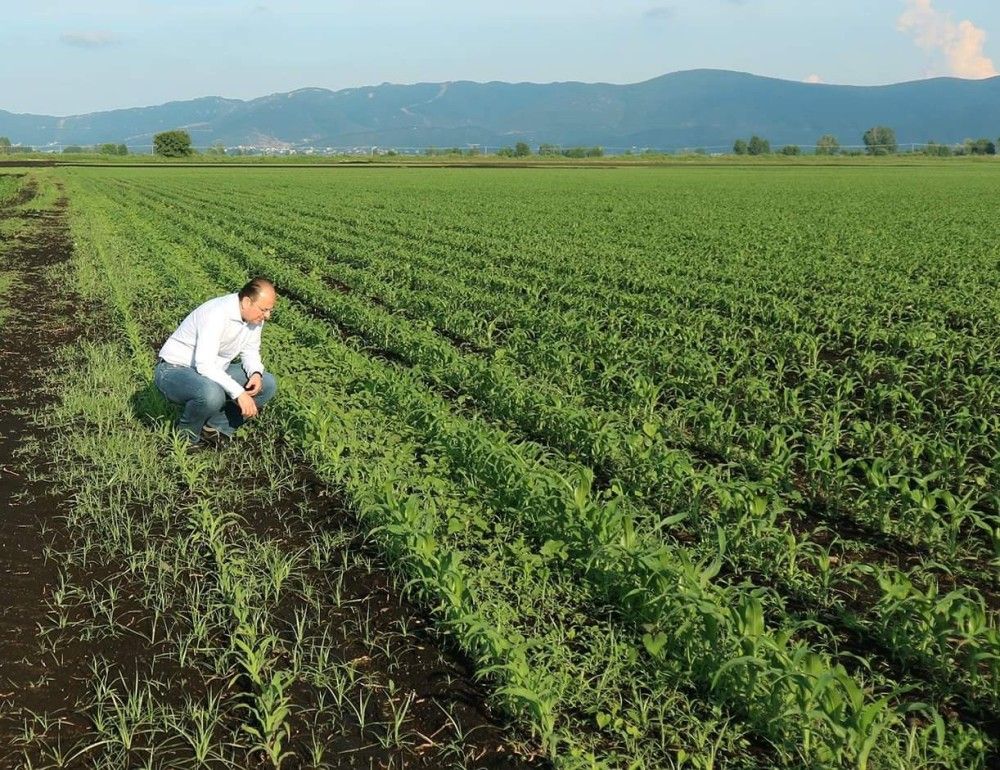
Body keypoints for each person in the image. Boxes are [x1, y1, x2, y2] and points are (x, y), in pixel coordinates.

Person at [154, 277, 278, 446]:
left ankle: (215, 428)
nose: (267, 316)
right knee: (212, 394)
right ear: (247, 302)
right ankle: (185, 439)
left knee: (267, 383)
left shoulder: (255, 319)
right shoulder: (217, 313)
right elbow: (205, 364)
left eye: (270, 310)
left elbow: (250, 351)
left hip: (210, 371)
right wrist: (239, 394)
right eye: (264, 309)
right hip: (174, 370)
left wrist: (255, 373)